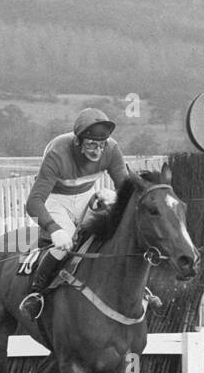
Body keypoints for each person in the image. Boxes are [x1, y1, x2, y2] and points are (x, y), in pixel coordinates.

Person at [18, 108, 130, 321]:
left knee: (108, 233)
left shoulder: (112, 149)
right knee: (67, 241)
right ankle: (36, 293)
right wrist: (54, 229)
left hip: (86, 194)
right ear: (79, 141)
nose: (97, 151)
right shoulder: (58, 153)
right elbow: (34, 202)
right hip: (55, 199)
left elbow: (126, 189)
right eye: (91, 144)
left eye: (101, 144)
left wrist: (115, 197)